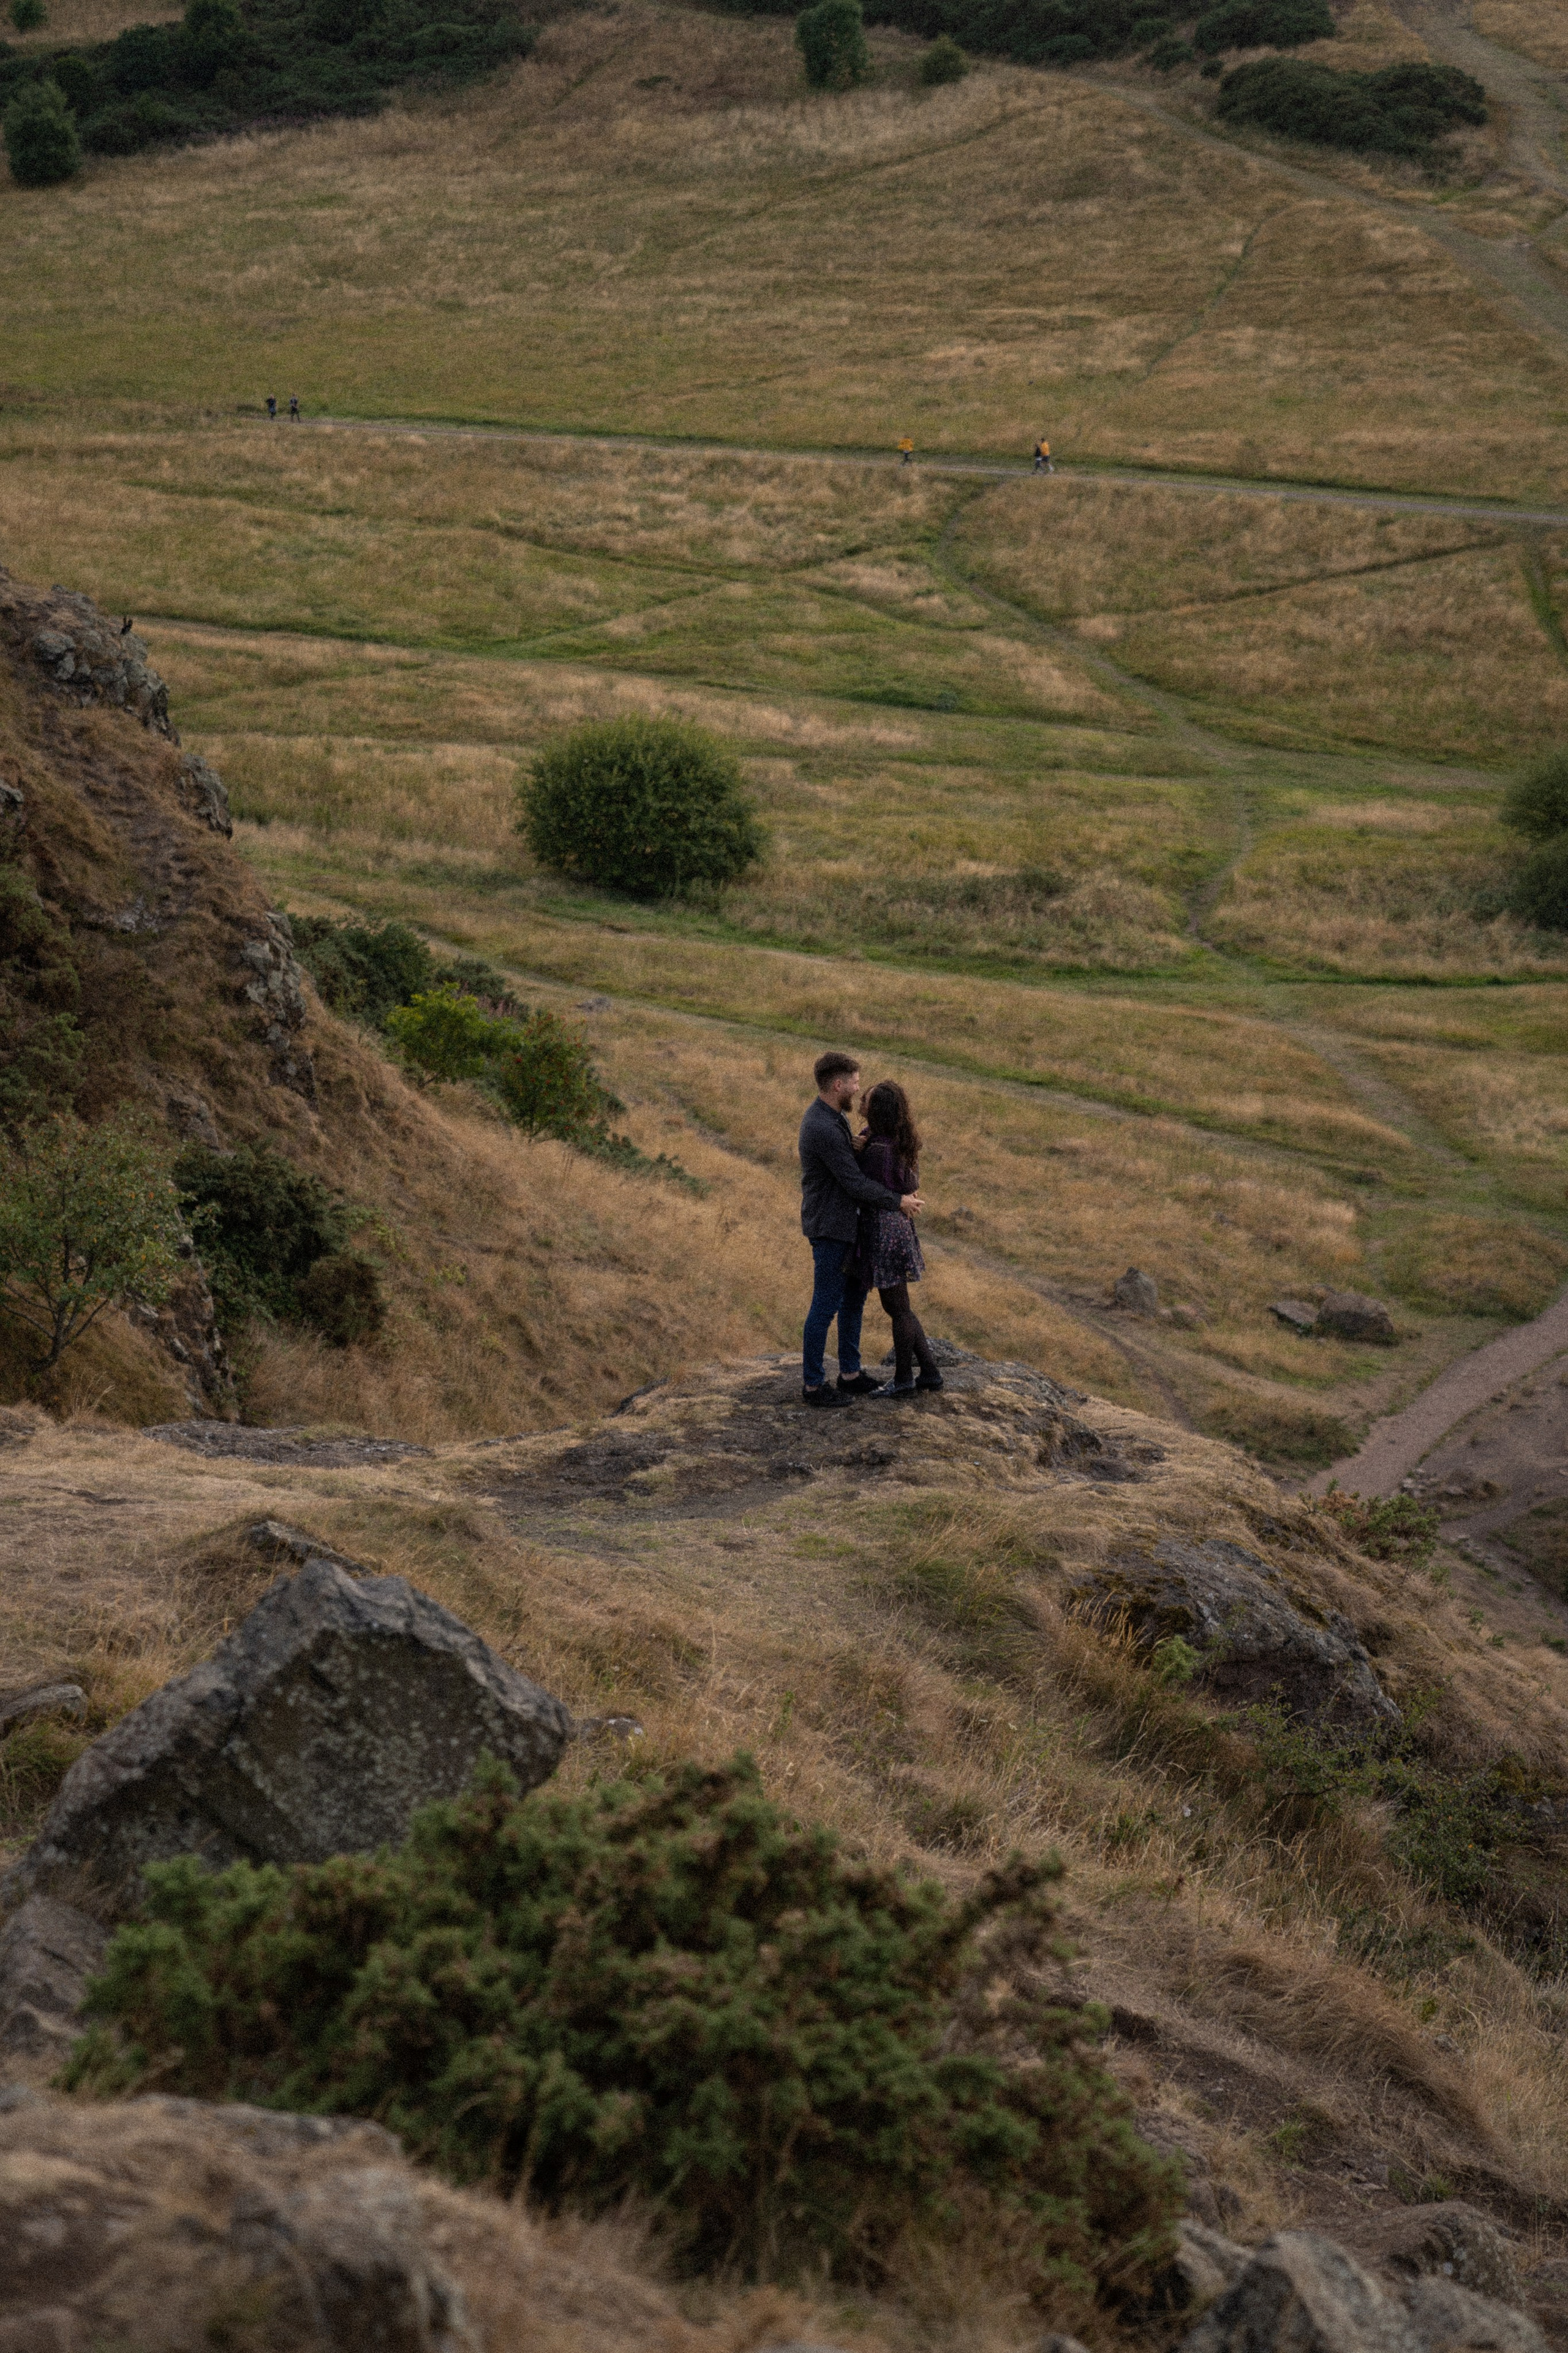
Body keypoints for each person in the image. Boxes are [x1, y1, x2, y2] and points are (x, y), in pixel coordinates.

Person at [799, 1051, 923, 1410]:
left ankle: (850, 1374)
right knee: (825, 1306)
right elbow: (853, 1183)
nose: (858, 1087)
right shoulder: (822, 1126)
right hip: (831, 1227)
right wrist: (898, 1201)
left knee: (853, 1300)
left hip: (847, 1226)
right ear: (838, 1085)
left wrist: (855, 1147)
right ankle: (812, 1386)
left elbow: (848, 1170)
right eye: (854, 1082)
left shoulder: (832, 1117)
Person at [853, 1081, 942, 1396]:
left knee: (898, 1309)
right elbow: (911, 1182)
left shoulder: (877, 1151)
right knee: (901, 1306)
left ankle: (904, 1378)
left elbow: (857, 1183)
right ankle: (929, 1371)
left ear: (877, 1110)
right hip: (899, 1230)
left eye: (867, 1099)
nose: (861, 1100)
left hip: (884, 1230)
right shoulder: (898, 1143)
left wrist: (854, 1147)